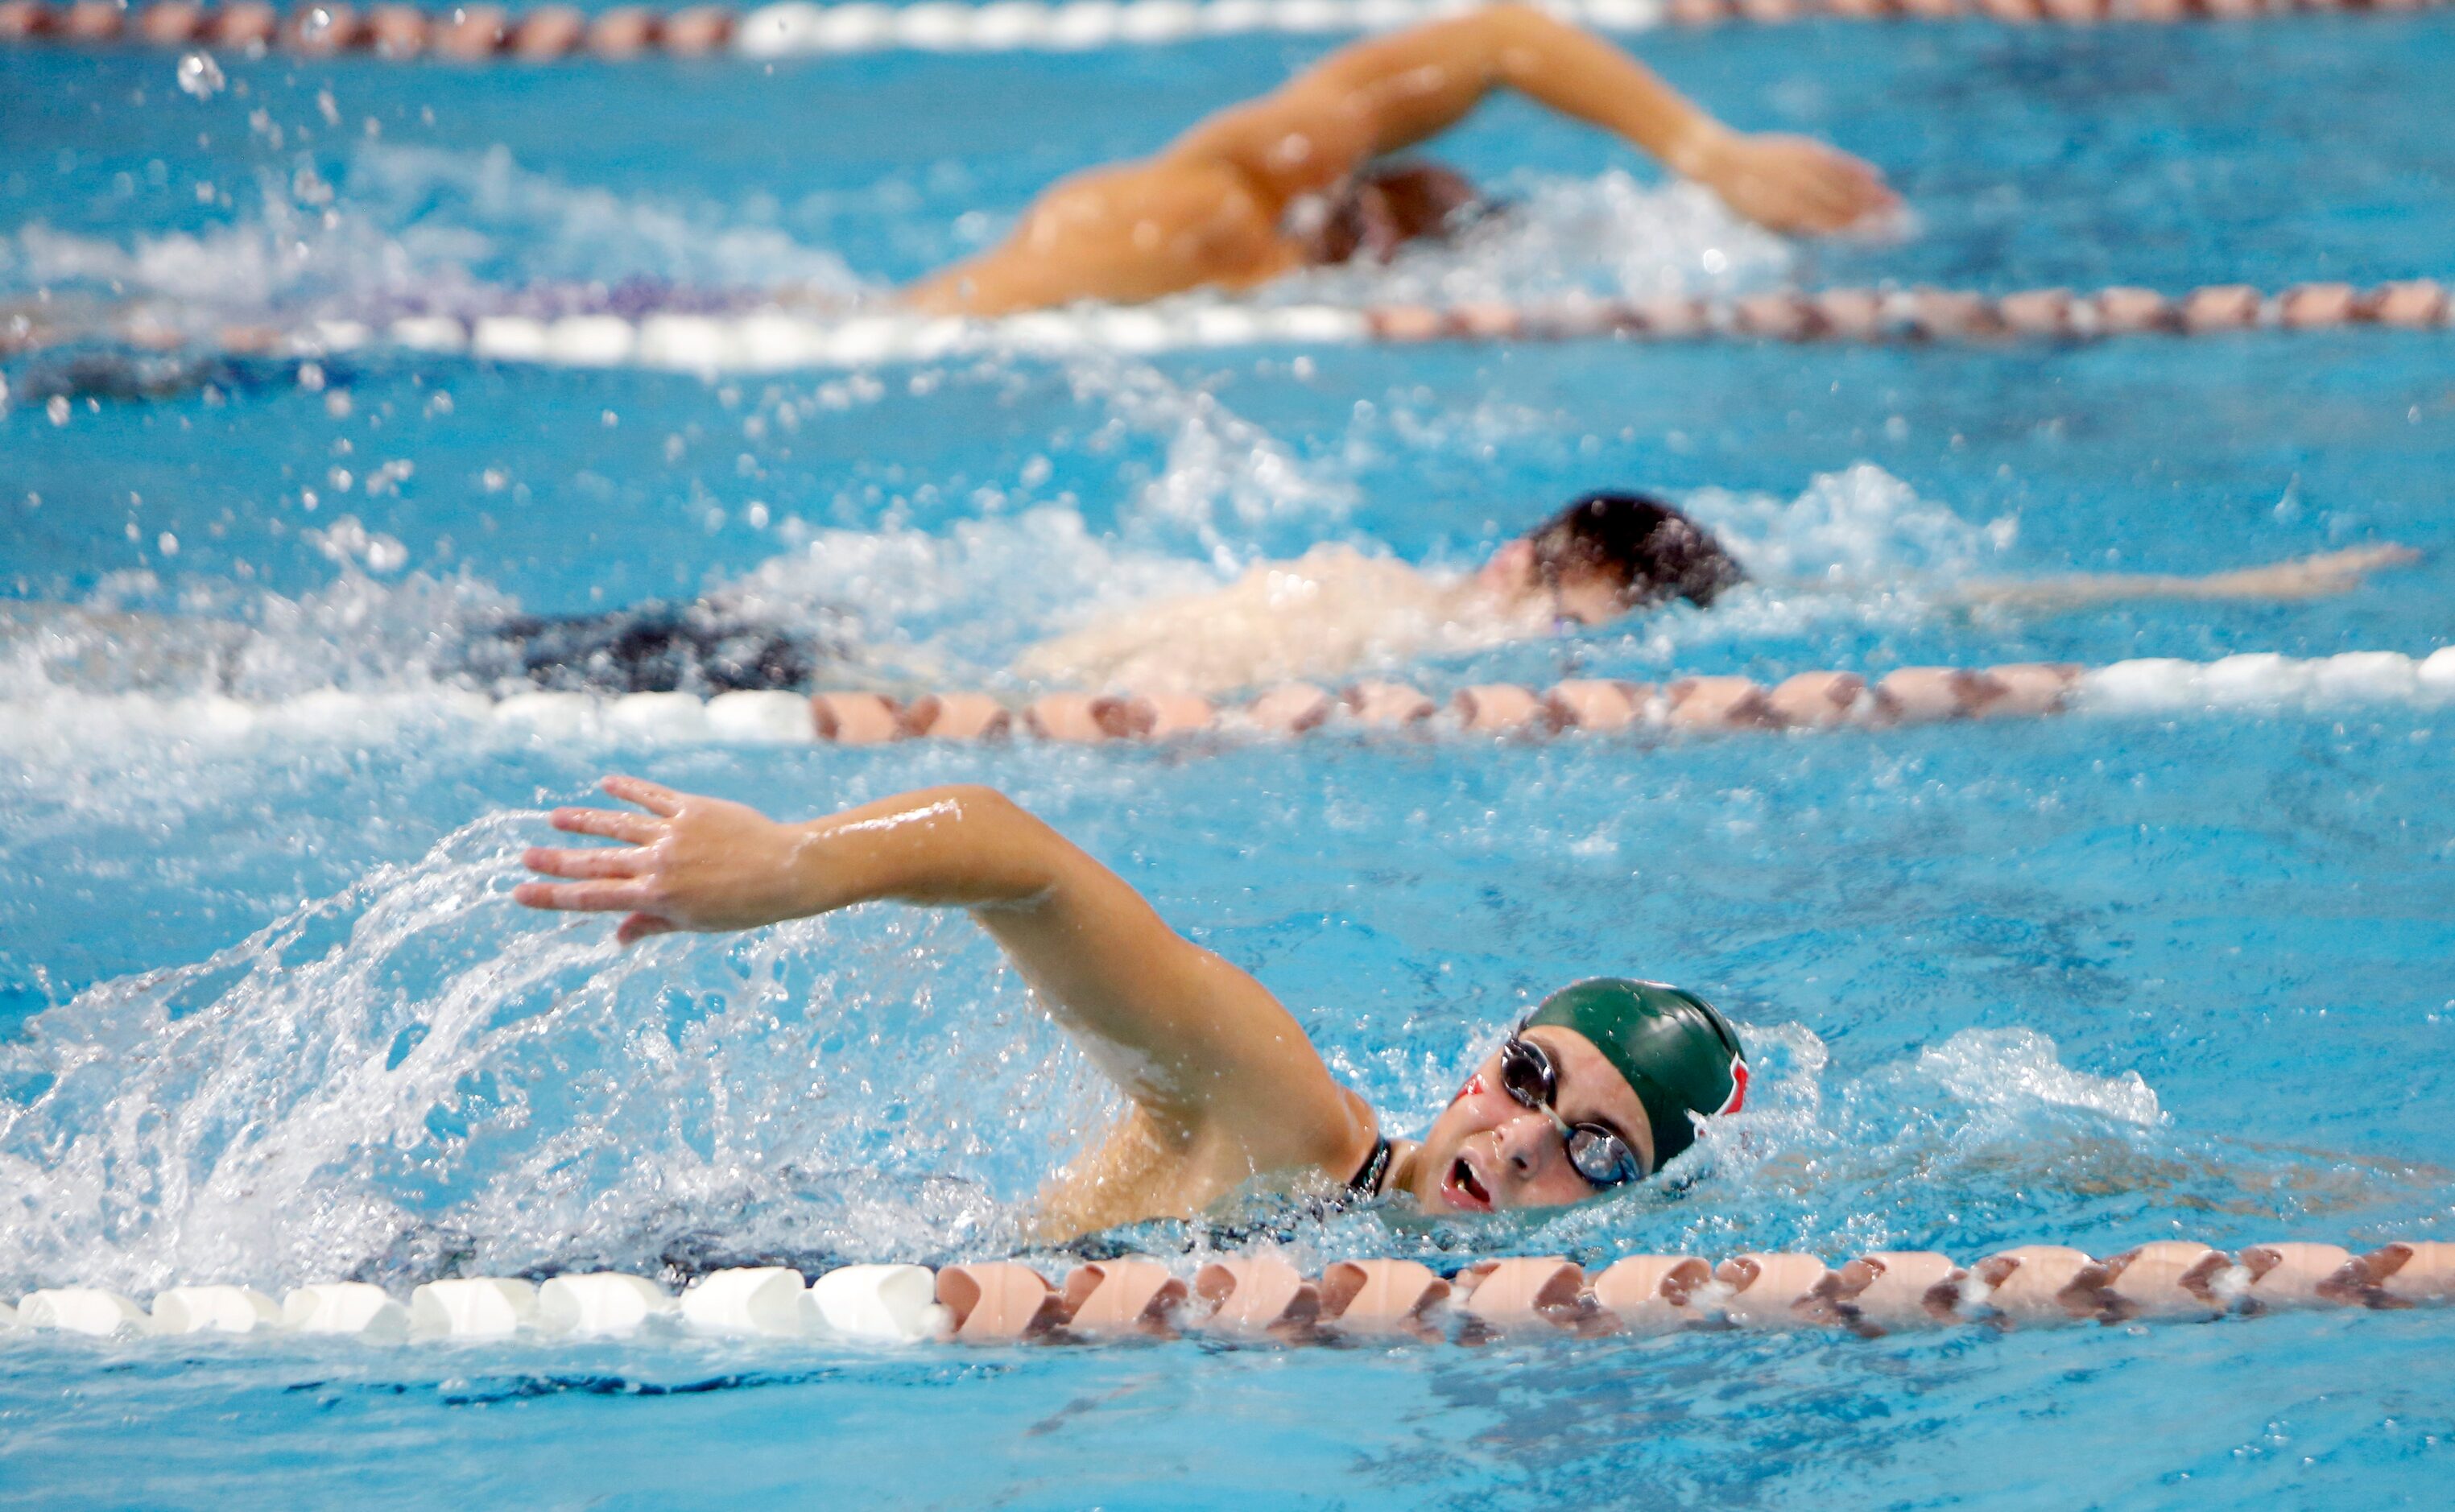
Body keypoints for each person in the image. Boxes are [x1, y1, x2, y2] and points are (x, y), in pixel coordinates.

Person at [514, 775, 1748, 1240]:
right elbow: (1015, 853)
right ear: (1487, 1053)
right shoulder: (1284, 1118)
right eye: (1531, 1076)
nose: (1525, 1139)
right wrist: (792, 866)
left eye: (1597, 1150)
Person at [903, 5, 1899, 316]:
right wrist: (1707, 150)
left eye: (1437, 212)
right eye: (1420, 190)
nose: (1427, 195)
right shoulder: (1248, 189)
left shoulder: (1245, 251)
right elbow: (1499, 37)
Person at [1015, 490, 2421, 696]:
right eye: (1568, 631)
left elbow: (1937, 600)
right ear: (1517, 568)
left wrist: (2230, 584)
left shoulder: (1448, 623)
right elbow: (1048, 687)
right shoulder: (1321, 599)